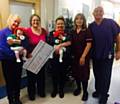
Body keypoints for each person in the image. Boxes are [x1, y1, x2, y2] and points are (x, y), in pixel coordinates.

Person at [88, 6, 120, 104]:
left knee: (106, 76)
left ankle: (104, 95)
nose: (98, 13)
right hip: (95, 55)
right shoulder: (91, 26)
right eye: (96, 11)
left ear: (103, 13)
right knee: (97, 75)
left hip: (107, 55)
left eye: (100, 11)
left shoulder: (110, 23)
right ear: (93, 14)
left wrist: (118, 51)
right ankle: (98, 91)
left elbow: (118, 38)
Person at [0, 14, 23, 104]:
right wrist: (15, 54)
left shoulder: (18, 32)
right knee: (9, 82)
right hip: (7, 61)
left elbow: (22, 43)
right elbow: (2, 48)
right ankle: (11, 100)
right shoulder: (2, 32)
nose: (16, 23)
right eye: (15, 21)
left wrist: (22, 50)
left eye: (18, 22)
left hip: (18, 61)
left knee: (17, 80)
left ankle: (17, 98)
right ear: (10, 20)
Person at [47, 16, 71, 98]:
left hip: (64, 58)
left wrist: (60, 45)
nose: (60, 25)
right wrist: (55, 49)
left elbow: (70, 43)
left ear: (64, 25)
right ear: (55, 24)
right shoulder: (51, 33)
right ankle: (54, 89)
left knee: (63, 75)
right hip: (54, 59)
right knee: (54, 75)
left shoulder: (67, 33)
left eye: (62, 24)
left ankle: (61, 89)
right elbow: (48, 45)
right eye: (58, 24)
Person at [70, 13, 92, 101]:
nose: (79, 20)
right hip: (74, 57)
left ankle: (85, 91)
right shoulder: (72, 31)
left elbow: (89, 44)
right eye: (77, 19)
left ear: (83, 21)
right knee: (76, 74)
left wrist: (83, 56)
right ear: (75, 21)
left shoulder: (87, 31)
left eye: (81, 19)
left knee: (84, 75)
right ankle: (79, 88)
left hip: (84, 56)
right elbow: (70, 43)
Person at [25, 14, 47, 101]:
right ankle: (31, 94)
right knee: (31, 77)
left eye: (37, 20)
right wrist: (27, 53)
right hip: (31, 57)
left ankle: (41, 91)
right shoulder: (27, 31)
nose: (35, 22)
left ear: (39, 21)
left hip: (41, 58)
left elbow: (47, 42)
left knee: (41, 76)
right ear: (31, 21)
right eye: (34, 20)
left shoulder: (44, 31)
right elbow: (23, 43)